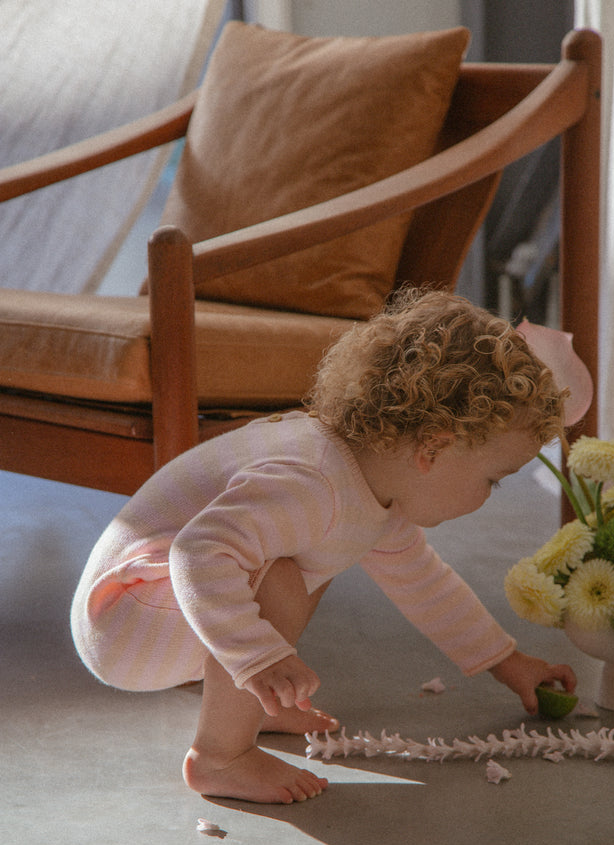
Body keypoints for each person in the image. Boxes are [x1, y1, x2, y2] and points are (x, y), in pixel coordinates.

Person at [71, 288, 578, 805]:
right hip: (124, 621)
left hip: (168, 608)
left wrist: (508, 663)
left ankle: (250, 704)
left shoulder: (370, 483)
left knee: (309, 561)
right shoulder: (312, 484)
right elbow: (197, 553)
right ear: (434, 446)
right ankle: (220, 755)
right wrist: (258, 656)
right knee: (285, 576)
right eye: (492, 479)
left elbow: (424, 584)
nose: (488, 496)